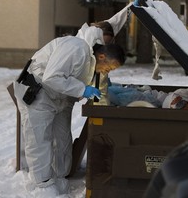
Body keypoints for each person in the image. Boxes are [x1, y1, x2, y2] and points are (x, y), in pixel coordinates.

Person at [13, 24, 125, 197]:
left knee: (63, 138)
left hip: (59, 98)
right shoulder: (76, 48)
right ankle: (42, 187)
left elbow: (73, 80)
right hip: (38, 93)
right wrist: (82, 90)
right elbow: (52, 77)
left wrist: (89, 89)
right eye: (109, 67)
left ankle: (59, 179)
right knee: (39, 139)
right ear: (102, 56)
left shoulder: (91, 61)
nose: (106, 71)